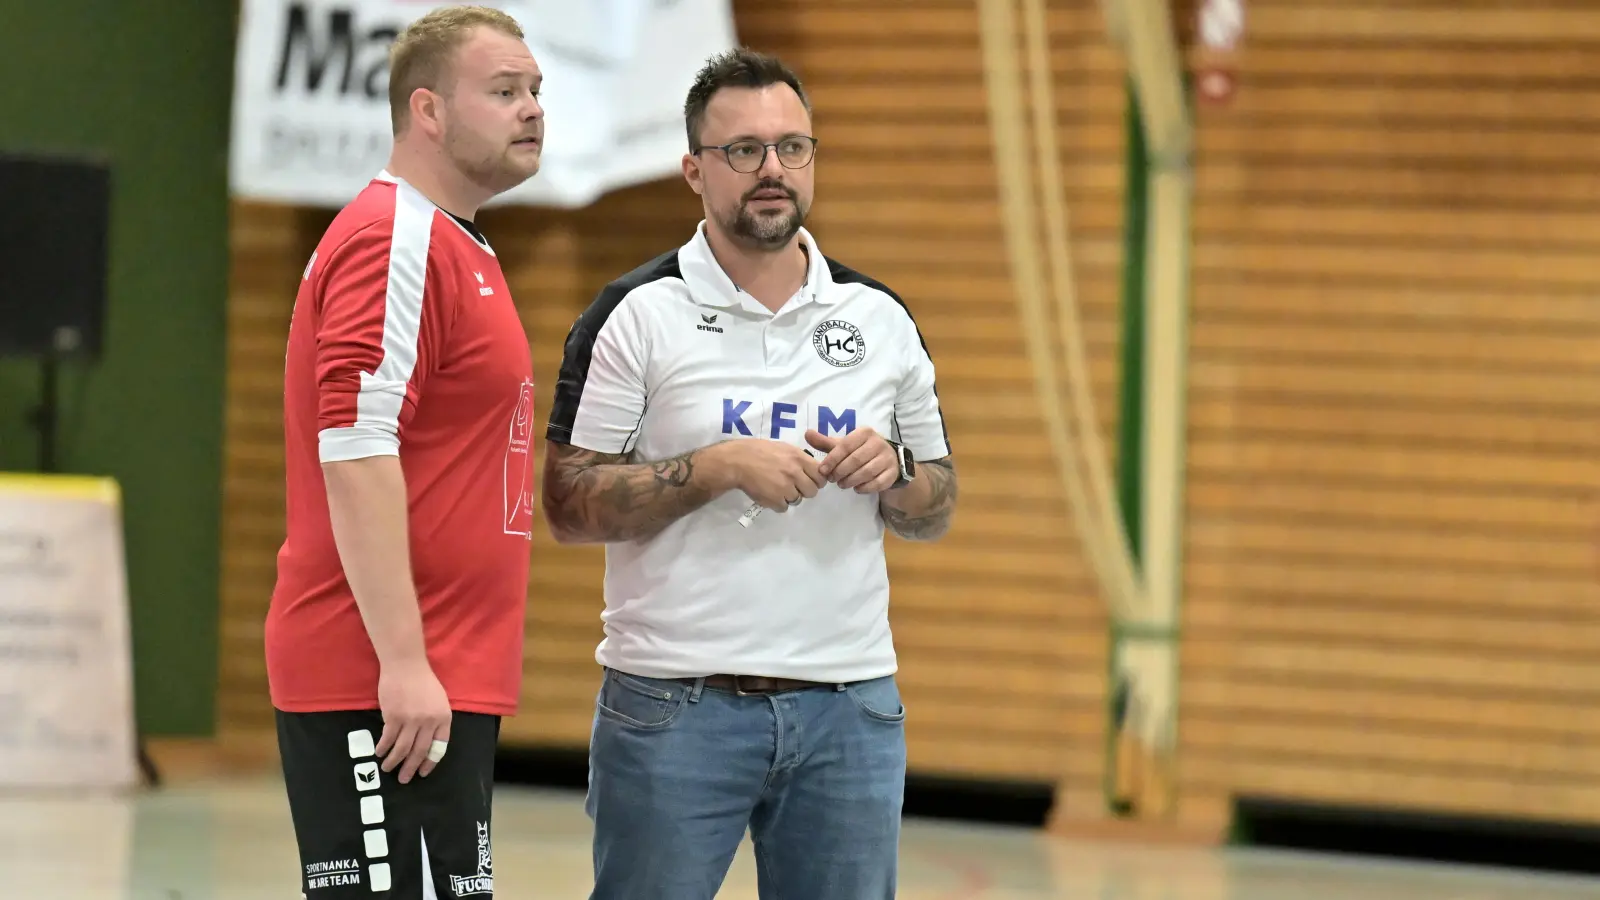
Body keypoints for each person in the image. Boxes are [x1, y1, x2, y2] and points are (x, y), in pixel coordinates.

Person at [541, 47, 959, 900]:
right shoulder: (633, 315)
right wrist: (716, 466)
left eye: (792, 146)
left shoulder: (878, 318)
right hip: (673, 708)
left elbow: (935, 504)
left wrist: (897, 471)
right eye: (743, 150)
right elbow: (568, 504)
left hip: (850, 709)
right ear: (693, 169)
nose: (773, 169)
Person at [263, 6, 543, 898]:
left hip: (438, 674)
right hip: (381, 679)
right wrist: (404, 661)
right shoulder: (396, 240)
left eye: (535, 91)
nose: (532, 109)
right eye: (504, 92)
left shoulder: (461, 245)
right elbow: (353, 450)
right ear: (427, 110)